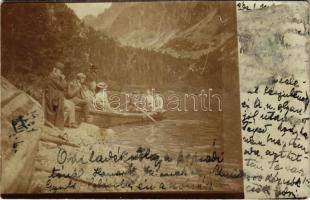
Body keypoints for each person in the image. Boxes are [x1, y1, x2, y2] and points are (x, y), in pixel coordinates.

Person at [44, 62, 71, 130]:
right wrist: (63, 79)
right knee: (66, 107)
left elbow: (63, 88)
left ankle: (58, 125)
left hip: (54, 97)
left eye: (61, 71)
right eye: (59, 70)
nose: (61, 73)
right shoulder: (52, 77)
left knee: (67, 107)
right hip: (52, 99)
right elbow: (62, 86)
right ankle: (57, 125)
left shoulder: (55, 77)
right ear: (54, 69)